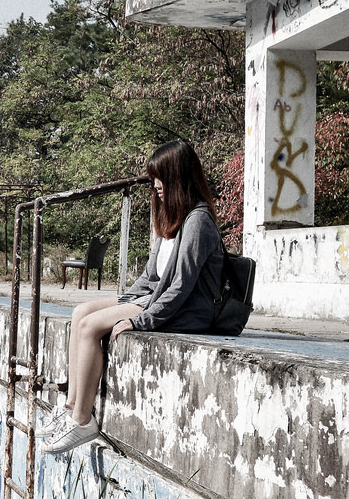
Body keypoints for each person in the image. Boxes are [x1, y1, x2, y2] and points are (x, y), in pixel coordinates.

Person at [42, 139, 224, 454]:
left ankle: (83, 421)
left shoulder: (198, 222)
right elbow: (151, 278)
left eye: (161, 177)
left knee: (90, 328)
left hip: (188, 311)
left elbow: (180, 286)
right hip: (157, 298)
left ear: (179, 176)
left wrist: (142, 320)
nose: (156, 186)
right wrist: (124, 302)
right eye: (154, 178)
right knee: (80, 313)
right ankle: (71, 403)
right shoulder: (174, 219)